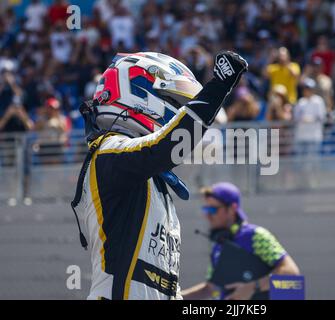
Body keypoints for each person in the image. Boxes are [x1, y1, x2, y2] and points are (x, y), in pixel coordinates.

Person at [73, 51, 248, 300]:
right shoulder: (106, 150)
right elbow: (162, 147)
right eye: (174, 103)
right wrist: (219, 86)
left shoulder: (153, 180)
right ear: (138, 94)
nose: (176, 113)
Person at [181, 182, 300, 300]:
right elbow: (211, 288)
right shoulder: (218, 246)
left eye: (213, 209)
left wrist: (252, 287)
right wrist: (174, 297)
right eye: (206, 209)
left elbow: (291, 273)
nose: (207, 215)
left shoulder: (256, 236)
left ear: (232, 209)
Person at [293, 78, 327, 156]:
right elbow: (296, 117)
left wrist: (310, 119)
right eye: (305, 88)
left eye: (309, 88)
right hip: (301, 136)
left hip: (314, 136)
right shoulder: (300, 102)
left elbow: (322, 117)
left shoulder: (318, 101)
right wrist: (303, 119)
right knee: (300, 162)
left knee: (313, 161)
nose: (307, 90)